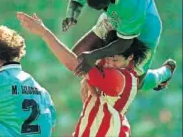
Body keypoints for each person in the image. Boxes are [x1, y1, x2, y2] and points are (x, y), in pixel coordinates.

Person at [17, 12, 149, 137]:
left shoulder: (118, 79)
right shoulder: (118, 69)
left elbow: (74, 64)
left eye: (115, 60)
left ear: (130, 57)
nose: (109, 63)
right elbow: (79, 56)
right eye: (107, 57)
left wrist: (45, 33)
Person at [62, 0, 176, 91]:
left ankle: (165, 73)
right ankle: (99, 80)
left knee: (133, 85)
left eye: (103, 8)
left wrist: (93, 56)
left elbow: (124, 43)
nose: (102, 11)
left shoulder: (132, 2)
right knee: (75, 60)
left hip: (145, 27)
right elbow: (76, 0)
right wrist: (71, 14)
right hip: (115, 17)